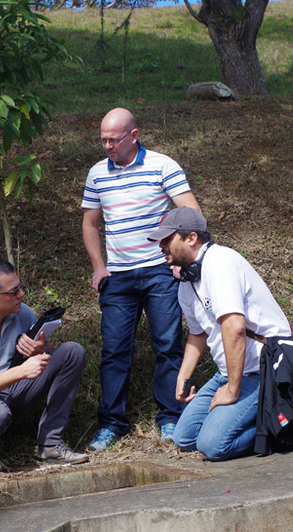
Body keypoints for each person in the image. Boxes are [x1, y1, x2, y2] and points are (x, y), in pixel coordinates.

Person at [81, 107, 202, 451]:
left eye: (113, 139)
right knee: (115, 350)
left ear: (134, 136)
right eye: (102, 139)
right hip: (117, 276)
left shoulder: (163, 166)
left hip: (159, 271)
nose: (107, 146)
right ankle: (111, 424)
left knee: (168, 345)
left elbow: (191, 213)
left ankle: (171, 417)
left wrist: (180, 260)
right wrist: (98, 266)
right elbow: (90, 224)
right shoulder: (96, 174)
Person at [147, 207, 291, 461]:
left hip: (265, 370)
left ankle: (288, 425)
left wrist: (232, 390)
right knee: (184, 438)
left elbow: (234, 327)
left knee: (213, 446)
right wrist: (183, 377)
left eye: (167, 240)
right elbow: (197, 334)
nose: (161, 247)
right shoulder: (188, 282)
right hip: (229, 373)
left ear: (191, 238)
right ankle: (256, 414)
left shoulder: (220, 262)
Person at [0, 259, 89, 467]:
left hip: (14, 388)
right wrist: (21, 372)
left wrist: (41, 349)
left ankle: (50, 445)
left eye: (19, 287)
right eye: (13, 292)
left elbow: (39, 359)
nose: (21, 295)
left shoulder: (22, 313)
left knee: (72, 352)